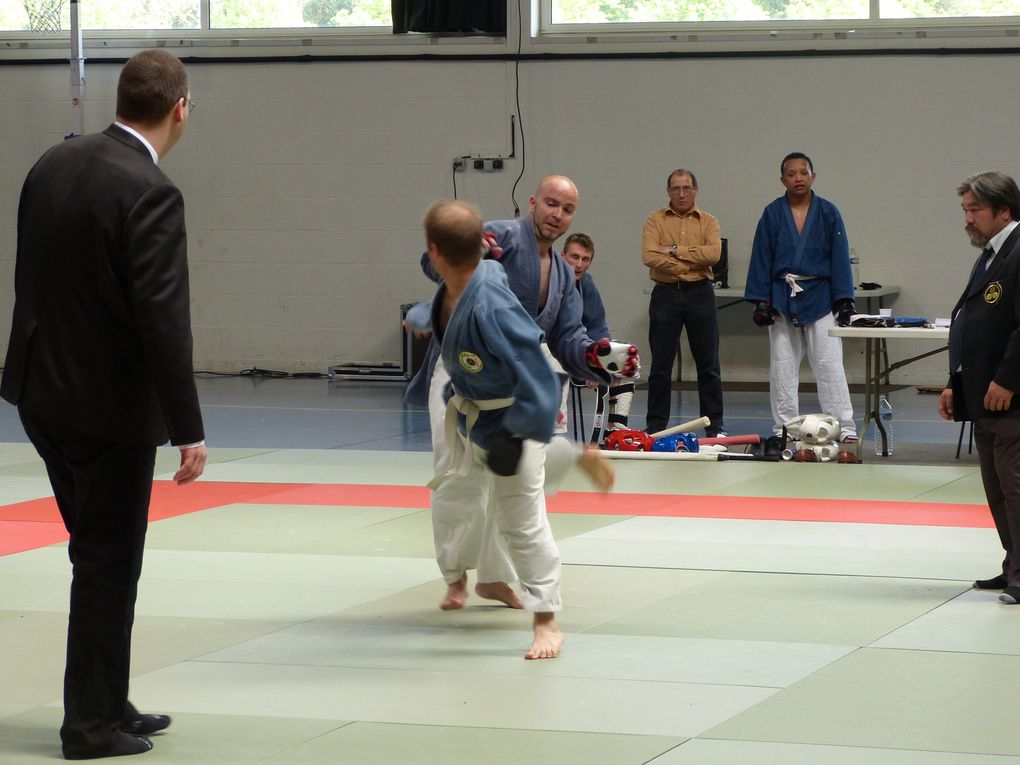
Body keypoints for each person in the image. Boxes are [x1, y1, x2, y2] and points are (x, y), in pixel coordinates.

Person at [0, 50, 206, 760]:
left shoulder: (52, 164)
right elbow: (162, 319)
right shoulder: (151, 189)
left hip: (39, 394)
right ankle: (88, 726)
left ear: (123, 97)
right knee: (107, 563)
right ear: (180, 107)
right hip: (105, 409)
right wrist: (189, 428)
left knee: (98, 556)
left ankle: (108, 700)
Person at [405, 176, 637, 613]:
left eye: (567, 209)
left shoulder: (566, 275)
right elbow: (432, 261)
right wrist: (477, 250)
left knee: (513, 482)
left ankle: (493, 578)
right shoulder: (502, 236)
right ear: (532, 202)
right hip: (460, 373)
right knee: (459, 480)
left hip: (514, 380)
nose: (557, 214)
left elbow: (569, 336)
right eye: (551, 203)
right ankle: (455, 575)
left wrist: (598, 357)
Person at [938, 171, 1020, 606]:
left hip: (1011, 396)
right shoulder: (992, 253)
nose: (967, 219)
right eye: (965, 210)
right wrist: (956, 384)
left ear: (1003, 210)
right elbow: (971, 322)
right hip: (982, 392)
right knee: (996, 487)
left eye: (975, 210)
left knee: (1014, 486)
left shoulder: (1019, 251)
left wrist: (1007, 379)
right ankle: (1013, 566)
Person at [744, 152, 858, 443]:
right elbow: (761, 256)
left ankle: (843, 426)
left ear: (813, 176)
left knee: (830, 364)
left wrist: (844, 299)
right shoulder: (771, 213)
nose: (798, 178)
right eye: (791, 174)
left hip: (820, 295)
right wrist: (761, 300)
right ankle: (785, 428)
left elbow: (839, 257)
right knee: (782, 365)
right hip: (783, 297)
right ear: (782, 179)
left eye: (803, 173)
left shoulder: (828, 212)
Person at [642, 169, 725, 437]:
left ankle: (714, 427)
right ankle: (656, 426)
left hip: (700, 294)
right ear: (668, 191)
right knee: (660, 366)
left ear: (695, 190)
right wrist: (690, 262)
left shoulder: (709, 221)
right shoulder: (654, 220)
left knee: (708, 365)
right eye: (676, 189)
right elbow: (649, 256)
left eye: (686, 188)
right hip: (665, 295)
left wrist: (676, 251)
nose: (681, 194)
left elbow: (713, 254)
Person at [562, 232, 635, 435]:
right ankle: (553, 432)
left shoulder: (587, 284)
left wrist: (598, 362)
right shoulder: (549, 281)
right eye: (574, 257)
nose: (579, 264)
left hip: (579, 350)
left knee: (627, 359)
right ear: (562, 256)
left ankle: (615, 431)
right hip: (552, 352)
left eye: (585, 259)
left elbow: (598, 327)